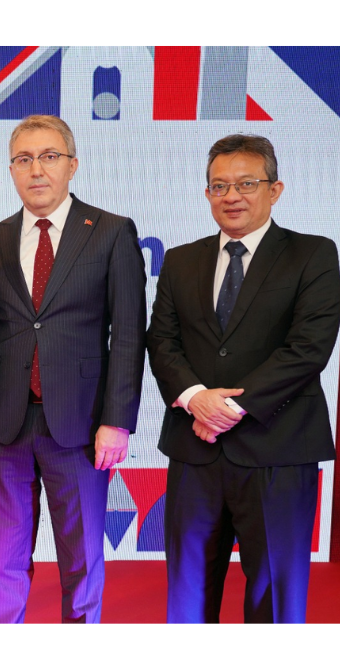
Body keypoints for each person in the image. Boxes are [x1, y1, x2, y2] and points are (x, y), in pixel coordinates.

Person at [0, 115, 146, 623]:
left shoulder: (110, 232)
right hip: (4, 425)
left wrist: (117, 420)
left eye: (48, 156)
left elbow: (128, 334)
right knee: (4, 560)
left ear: (72, 165)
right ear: (11, 170)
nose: (35, 169)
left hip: (81, 427)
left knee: (81, 558)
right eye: (23, 159)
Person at [147, 134, 340, 623]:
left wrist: (227, 408)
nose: (231, 196)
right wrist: (195, 398)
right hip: (196, 452)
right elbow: (162, 341)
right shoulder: (180, 259)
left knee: (275, 595)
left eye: (246, 183)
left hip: (278, 448)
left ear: (274, 190)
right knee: (188, 593)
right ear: (207, 194)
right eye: (218, 186)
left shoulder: (313, 254)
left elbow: (308, 348)